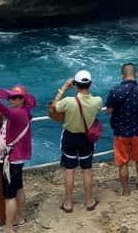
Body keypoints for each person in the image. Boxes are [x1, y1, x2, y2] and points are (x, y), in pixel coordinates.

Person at [0, 85, 36, 233]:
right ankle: (20, 217)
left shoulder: (18, 113)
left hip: (12, 160)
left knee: (9, 195)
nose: (11, 100)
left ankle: (9, 227)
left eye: (15, 97)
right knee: (18, 188)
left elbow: (4, 111)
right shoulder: (23, 112)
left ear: (22, 100)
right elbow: (12, 130)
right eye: (10, 97)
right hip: (17, 158)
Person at [50, 70, 102, 211]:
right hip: (86, 139)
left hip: (69, 137)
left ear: (75, 85)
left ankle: (68, 203)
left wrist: (64, 88)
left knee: (70, 170)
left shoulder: (68, 102)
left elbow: (54, 106)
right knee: (86, 170)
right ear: (90, 84)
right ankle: (89, 201)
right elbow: (96, 108)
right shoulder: (97, 101)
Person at [106, 63, 138, 196]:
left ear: (122, 75)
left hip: (121, 132)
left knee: (123, 163)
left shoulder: (115, 91)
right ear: (136, 74)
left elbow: (109, 111)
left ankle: (126, 190)